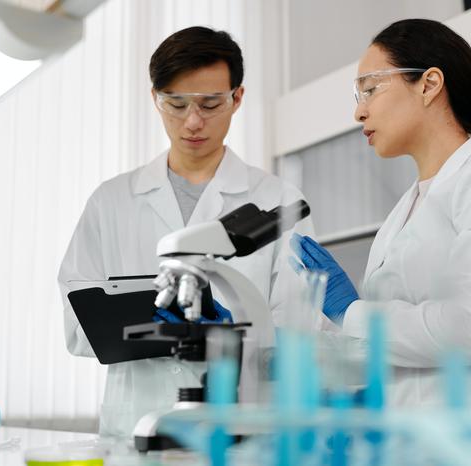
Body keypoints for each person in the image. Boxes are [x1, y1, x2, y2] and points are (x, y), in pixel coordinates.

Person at [290, 19, 471, 417]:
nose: (359, 112)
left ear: (430, 84)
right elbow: (391, 338)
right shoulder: (406, 209)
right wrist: (249, 334)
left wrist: (351, 311)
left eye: (370, 89)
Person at [59, 26, 313, 437]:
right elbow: (76, 324)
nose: (193, 121)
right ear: (155, 99)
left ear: (238, 98)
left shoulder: (276, 198)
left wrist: (236, 332)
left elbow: (302, 325)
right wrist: (150, 329)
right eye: (176, 104)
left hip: (239, 423)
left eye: (211, 104)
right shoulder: (111, 201)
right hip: (137, 422)